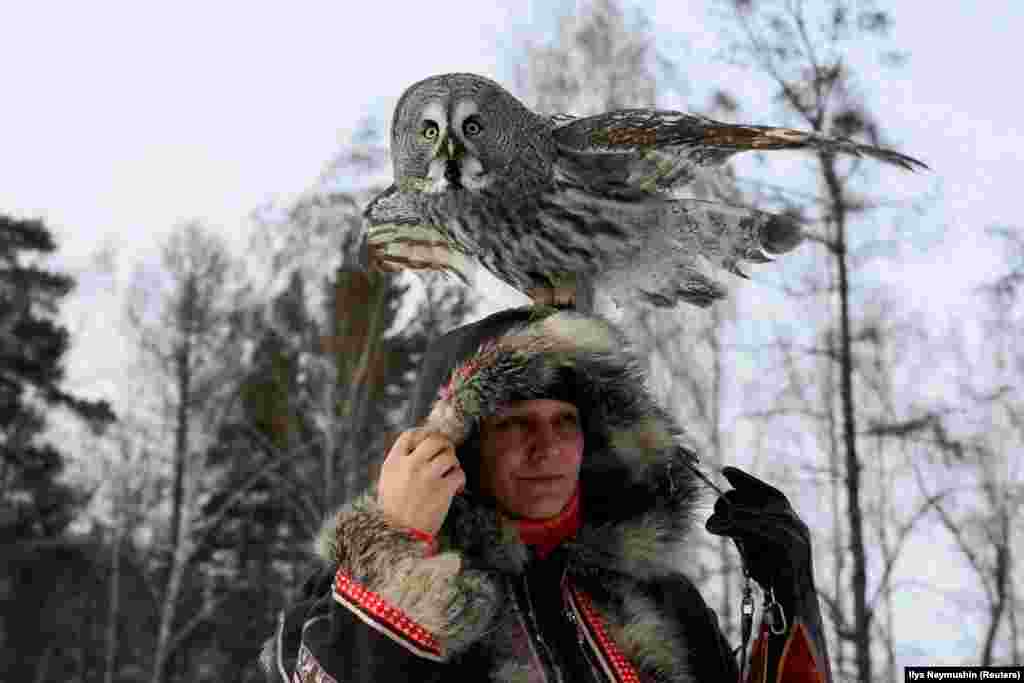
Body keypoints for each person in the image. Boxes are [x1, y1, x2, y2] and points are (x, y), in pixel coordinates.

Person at [260, 306, 832, 682]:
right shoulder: (343, 601)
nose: (547, 448)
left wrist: (784, 597)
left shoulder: (662, 601)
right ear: (458, 445)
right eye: (514, 424)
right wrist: (396, 551)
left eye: (565, 422)